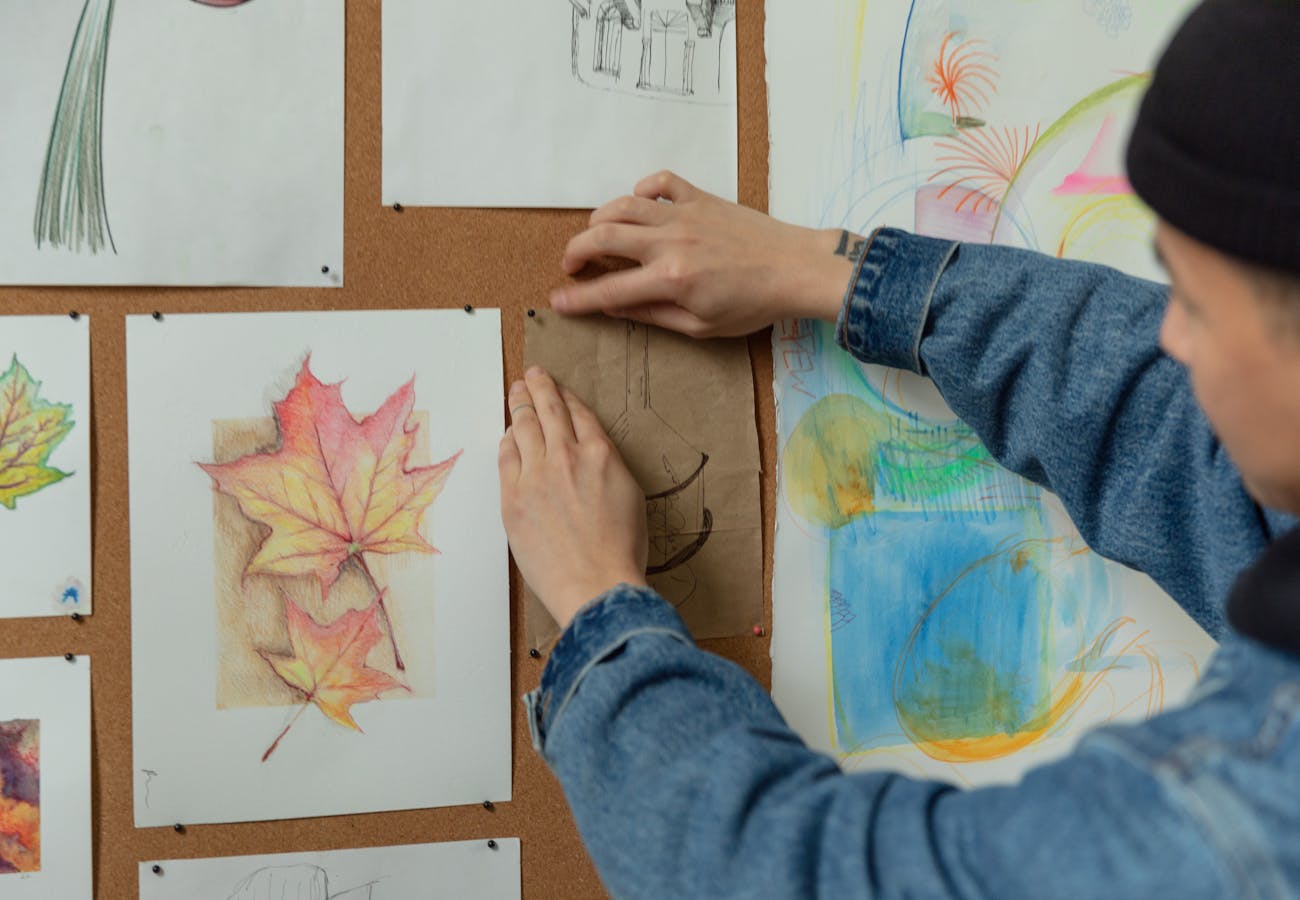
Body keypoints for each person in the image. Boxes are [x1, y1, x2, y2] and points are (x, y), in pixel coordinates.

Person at [497, 1, 1300, 895]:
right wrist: (840, 273)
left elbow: (827, 879)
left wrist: (599, 606)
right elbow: (1165, 438)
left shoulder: (1258, 812)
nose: (1173, 339)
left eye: (1196, 304)